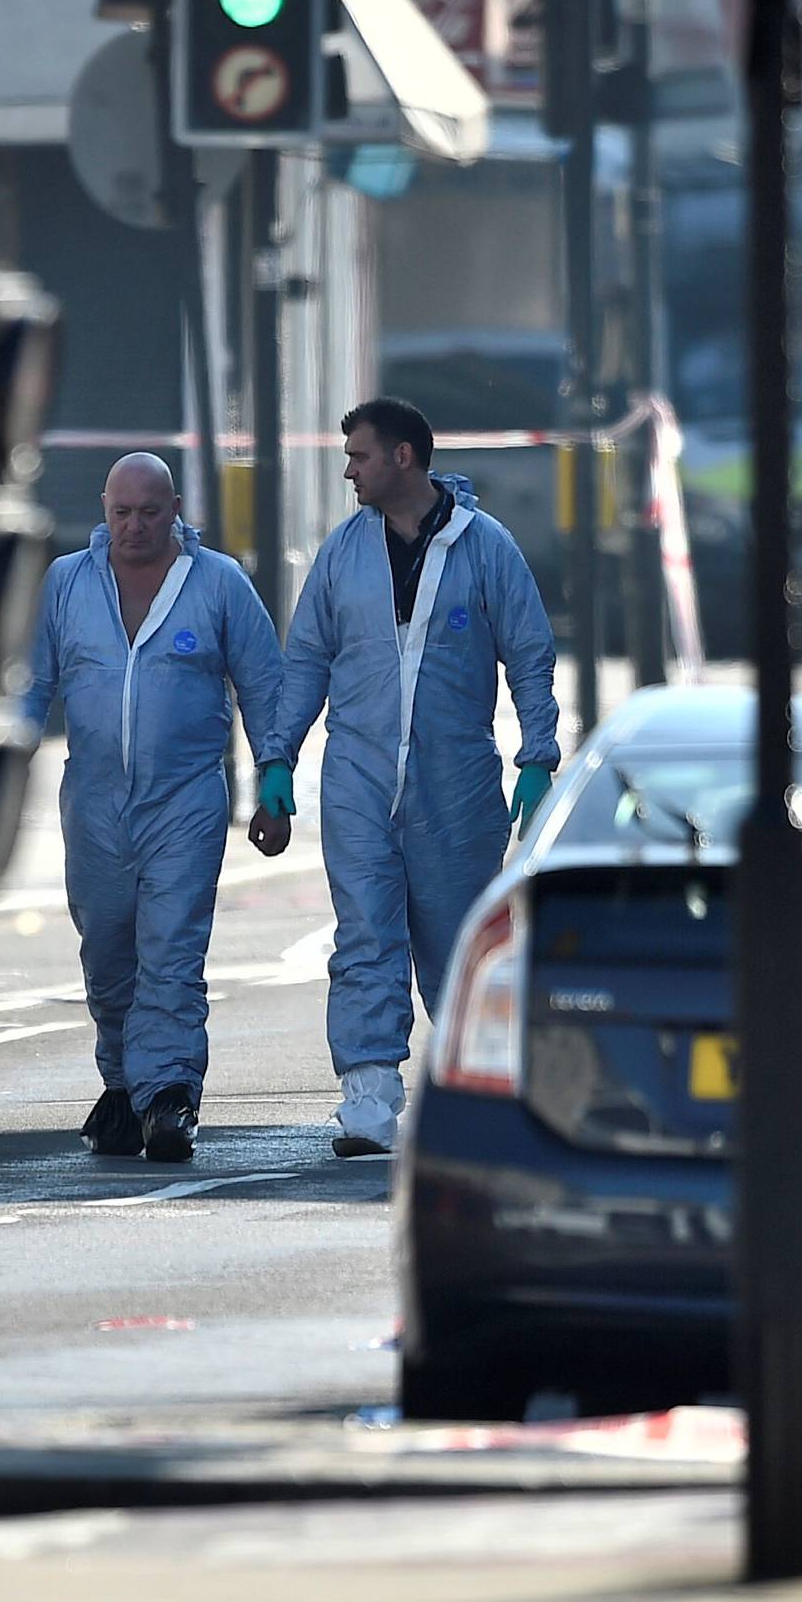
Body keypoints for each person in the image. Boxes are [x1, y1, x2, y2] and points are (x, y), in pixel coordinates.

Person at [261, 397, 559, 1158]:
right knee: (364, 935)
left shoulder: (485, 547)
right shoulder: (341, 554)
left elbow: (528, 653)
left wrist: (538, 756)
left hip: (454, 784)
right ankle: (368, 1098)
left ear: (403, 457)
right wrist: (277, 759)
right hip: (358, 776)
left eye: (359, 456)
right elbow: (306, 662)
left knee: (460, 944)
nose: (348, 471)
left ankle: (485, 1089)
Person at [23, 453, 288, 1163]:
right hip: (95, 803)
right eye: (121, 512)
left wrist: (275, 778)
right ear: (102, 510)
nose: (135, 526)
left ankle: (170, 1095)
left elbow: (265, 686)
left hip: (187, 801)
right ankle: (122, 1083)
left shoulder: (219, 584)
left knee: (171, 952)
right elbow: (29, 686)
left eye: (150, 511)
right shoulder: (67, 585)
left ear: (176, 509)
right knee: (107, 950)